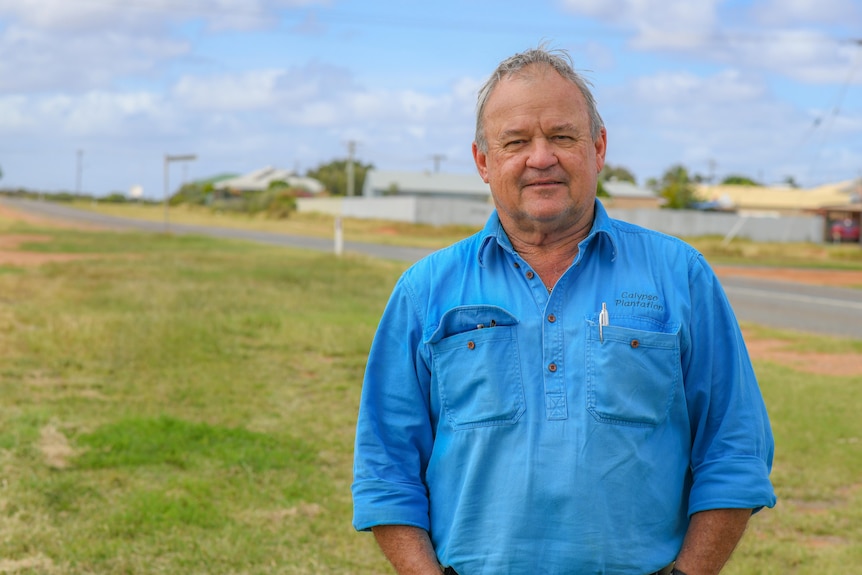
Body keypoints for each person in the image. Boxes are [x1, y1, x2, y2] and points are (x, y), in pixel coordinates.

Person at [352, 46, 776, 575]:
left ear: (598, 148)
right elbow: (385, 467)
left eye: (562, 136)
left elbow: (735, 449)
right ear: (483, 161)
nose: (540, 157)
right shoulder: (424, 290)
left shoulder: (681, 275)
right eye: (515, 142)